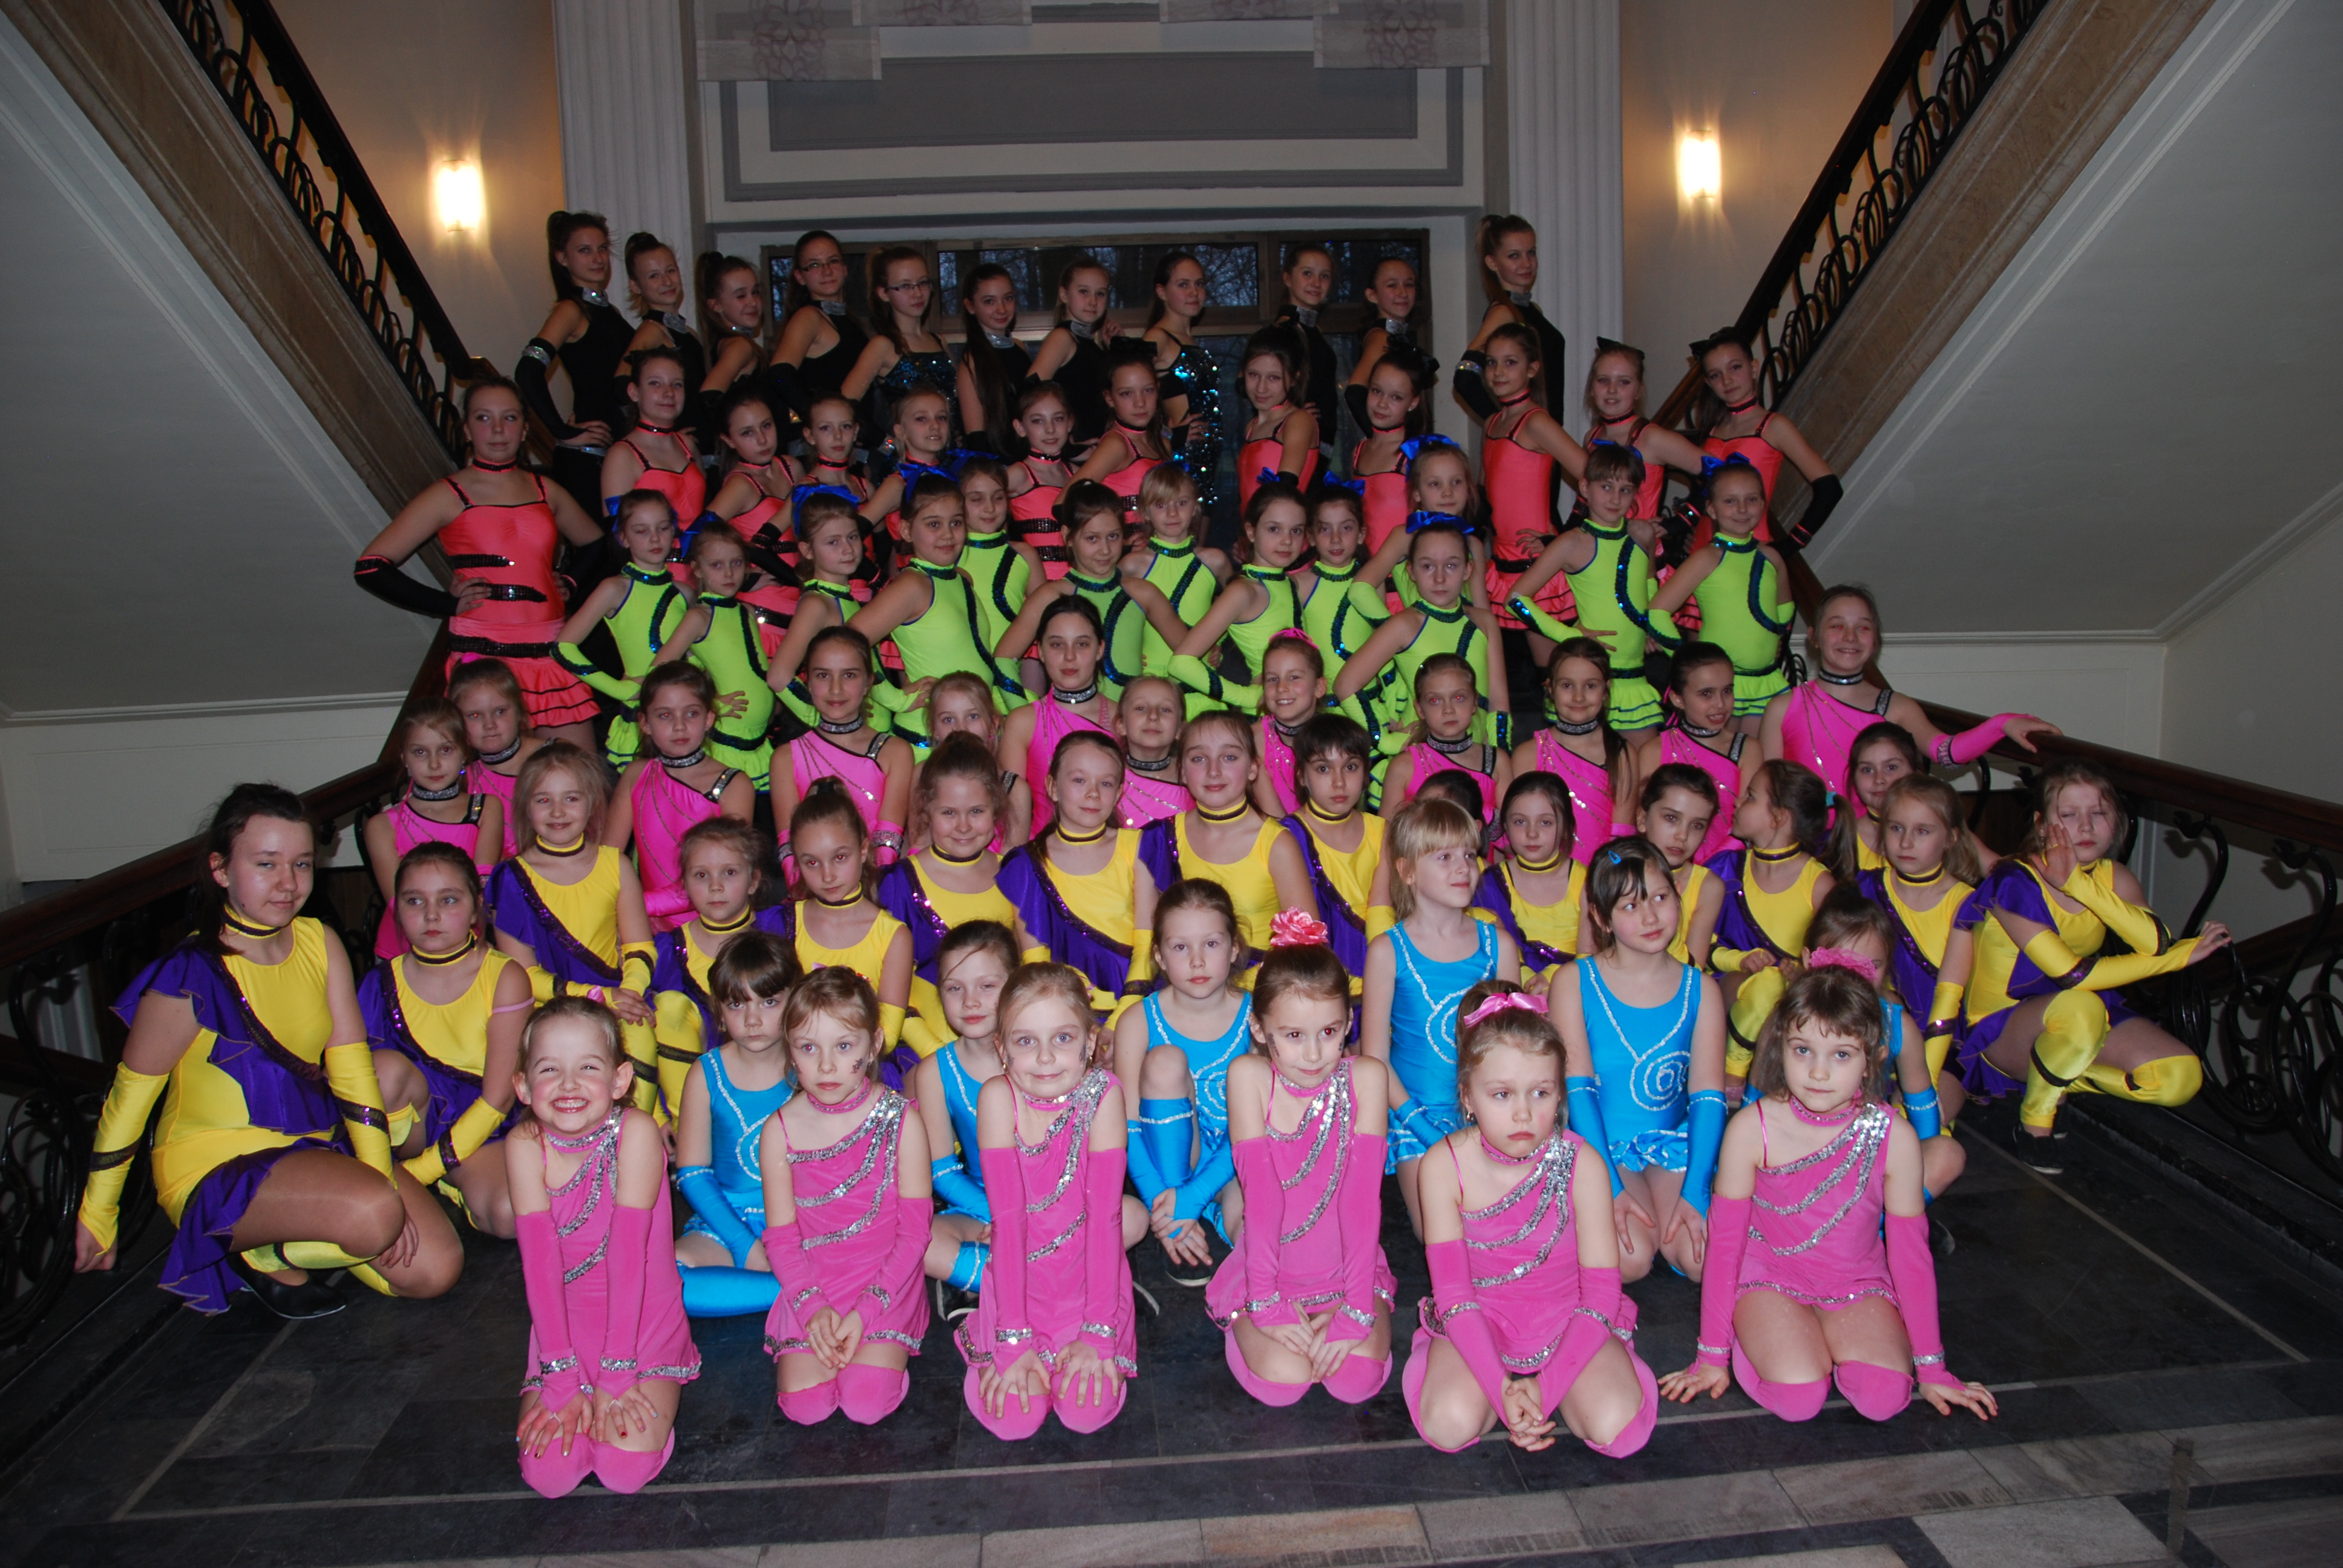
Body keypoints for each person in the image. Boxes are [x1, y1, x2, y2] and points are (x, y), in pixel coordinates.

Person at [74, 785, 461, 1319]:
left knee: (435, 1269)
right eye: (266, 864)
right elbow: (129, 1100)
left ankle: (280, 1246)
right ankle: (250, 1247)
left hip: (308, 1146)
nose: (288, 883)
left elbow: (351, 1070)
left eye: (301, 864)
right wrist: (99, 1211)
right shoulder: (190, 974)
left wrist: (379, 1173)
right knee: (376, 1215)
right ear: (220, 870)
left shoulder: (318, 940)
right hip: (214, 1165)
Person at [1659, 968, 1996, 1425]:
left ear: (1871, 1058)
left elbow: (1911, 1255)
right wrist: (1712, 1356)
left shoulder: (1892, 1135)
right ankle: (1758, 1334)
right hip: (1771, 1275)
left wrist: (1933, 1369)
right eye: (1803, 1050)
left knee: (1884, 1399)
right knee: (1798, 1399)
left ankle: (1823, 1338)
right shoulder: (1753, 1128)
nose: (1818, 1072)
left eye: (1841, 1054)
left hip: (1855, 1280)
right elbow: (1726, 1246)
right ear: (1781, 1047)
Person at [1407, 981, 1658, 1457]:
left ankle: (1579, 1378)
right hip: (1477, 1320)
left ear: (1560, 1094)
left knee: (1616, 1428)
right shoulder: (1443, 1166)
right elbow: (1455, 1295)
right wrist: (1502, 1391)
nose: (1523, 1113)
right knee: (1448, 1425)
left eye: (1541, 1093)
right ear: (1468, 1097)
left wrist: (1546, 1388)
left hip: (1569, 1319)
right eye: (1501, 1094)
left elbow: (1601, 1294)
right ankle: (1470, 1377)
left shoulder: (1582, 1164)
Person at [1950, 762, 2226, 1171]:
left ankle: (2056, 1077)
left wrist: (2079, 884)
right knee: (2081, 1005)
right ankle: (2036, 1122)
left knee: (2179, 1075)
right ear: (2042, 825)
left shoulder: (2116, 878)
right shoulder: (2014, 881)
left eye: (2099, 813)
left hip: (2078, 1017)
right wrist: (2177, 958)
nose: (2086, 826)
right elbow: (2072, 975)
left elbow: (2155, 942)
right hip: (2002, 1026)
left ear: (2117, 823)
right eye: (2069, 814)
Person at [510, 996, 700, 1497]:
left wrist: (617, 1371)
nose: (569, 1084)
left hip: (640, 1330)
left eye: (588, 1068)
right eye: (550, 1069)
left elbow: (627, 1255)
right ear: (523, 1086)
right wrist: (559, 1375)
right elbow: (539, 1264)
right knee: (549, 1476)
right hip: (563, 1337)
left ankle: (647, 1399)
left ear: (620, 1080)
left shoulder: (635, 1133)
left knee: (623, 1470)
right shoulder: (525, 1146)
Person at [355, 380, 603, 749]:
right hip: (484, 656)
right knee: (500, 776)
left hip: (550, 650)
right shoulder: (448, 494)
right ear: (467, 430)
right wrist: (446, 603)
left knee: (577, 775)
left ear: (525, 429)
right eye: (484, 418)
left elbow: (596, 543)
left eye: (510, 418)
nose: (498, 429)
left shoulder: (545, 490)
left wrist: (570, 581)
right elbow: (371, 567)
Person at [1210, 921, 1396, 1406]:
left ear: (1348, 1022)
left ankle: (1352, 1310)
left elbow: (1361, 1200)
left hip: (1346, 1273)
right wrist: (1265, 1302)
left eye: (1329, 1032)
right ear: (1260, 1029)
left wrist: (1356, 1307)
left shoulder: (1367, 1078)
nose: (1313, 1054)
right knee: (1285, 1384)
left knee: (1355, 1382)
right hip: (1270, 1273)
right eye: (1293, 1035)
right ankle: (1246, 1320)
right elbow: (1263, 1198)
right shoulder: (1249, 1077)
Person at [958, 963, 1145, 1438]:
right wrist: (1011, 1339)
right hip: (1019, 1287)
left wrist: (1098, 1332)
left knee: (1086, 1413)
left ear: (1090, 1041)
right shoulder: (998, 1098)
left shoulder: (1103, 1096)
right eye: (1025, 1041)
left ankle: (1095, 1332)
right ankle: (998, 1330)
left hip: (1089, 1287)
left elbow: (1104, 1221)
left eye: (1062, 1038)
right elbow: (1008, 1222)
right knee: (1013, 1421)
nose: (1045, 1058)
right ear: (1002, 1049)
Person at [759, 968, 934, 1426]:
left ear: (874, 1044)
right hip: (813, 1281)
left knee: (866, 1405)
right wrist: (811, 1307)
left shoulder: (901, 1121)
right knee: (806, 1408)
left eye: (843, 1046)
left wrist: (867, 1310)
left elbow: (915, 1234)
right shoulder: (778, 1131)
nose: (826, 1066)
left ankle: (885, 1352)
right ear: (789, 1049)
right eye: (808, 1048)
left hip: (886, 1281)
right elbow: (781, 1237)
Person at [1550, 836, 1728, 1284]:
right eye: (1630, 906)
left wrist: (1697, 1191)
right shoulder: (1574, 982)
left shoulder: (1702, 990)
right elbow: (1577, 1090)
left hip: (1671, 1144)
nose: (1650, 917)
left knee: (1703, 1257)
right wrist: (1608, 1188)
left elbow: (1708, 1097)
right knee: (1629, 1259)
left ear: (1678, 894)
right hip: (1599, 1147)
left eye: (1660, 898)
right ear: (1600, 917)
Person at [1365, 797, 1521, 1233]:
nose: (1463, 868)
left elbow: (1519, 1051)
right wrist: (1423, 1128)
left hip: (1491, 1115)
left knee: (1505, 1224)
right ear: (1407, 871)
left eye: (1469, 855)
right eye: (1444, 857)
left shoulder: (1499, 946)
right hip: (1418, 1118)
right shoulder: (1388, 951)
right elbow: (1375, 1061)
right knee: (1443, 1228)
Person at [362, 843, 531, 1238]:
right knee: (381, 1071)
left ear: (475, 908)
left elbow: (497, 1100)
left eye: (449, 900)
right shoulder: (379, 982)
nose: (431, 915)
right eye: (415, 901)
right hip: (412, 1129)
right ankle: (394, 1176)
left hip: (484, 1128)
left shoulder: (504, 976)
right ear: (396, 909)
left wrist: (422, 1172)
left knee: (510, 1214)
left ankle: (443, 1179)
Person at [486, 742, 660, 1111]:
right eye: (543, 800)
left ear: (592, 803)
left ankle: (648, 1129)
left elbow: (640, 948)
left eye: (571, 798)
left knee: (652, 1024)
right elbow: (522, 975)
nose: (558, 811)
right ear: (525, 807)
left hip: (618, 999)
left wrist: (628, 995)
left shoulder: (615, 864)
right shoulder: (512, 878)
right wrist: (600, 998)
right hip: (551, 1010)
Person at [1765, 584, 2056, 800]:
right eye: (1837, 626)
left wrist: (2001, 724)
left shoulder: (1896, 708)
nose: (1849, 637)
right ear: (1814, 637)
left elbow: (1946, 752)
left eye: (1863, 628)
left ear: (1875, 641)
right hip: (1804, 849)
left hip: (1878, 847)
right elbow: (1767, 791)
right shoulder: (1783, 708)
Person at [1115, 880, 1251, 1284]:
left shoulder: (1258, 1015)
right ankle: (1176, 1229)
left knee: (1258, 1234)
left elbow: (1259, 1122)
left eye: (1211, 944)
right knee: (1165, 1062)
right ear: (1158, 955)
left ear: (1234, 948)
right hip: (1168, 1166)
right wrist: (1166, 1208)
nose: (1197, 961)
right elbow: (1126, 1126)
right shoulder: (1138, 1020)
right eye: (1180, 947)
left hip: (1237, 1161)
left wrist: (1197, 1195)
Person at [1798, 893, 1966, 1201]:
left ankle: (1880, 1217)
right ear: (1811, 961)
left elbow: (1922, 1103)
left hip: (1866, 1144)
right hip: (1799, 1144)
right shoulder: (1791, 1020)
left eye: (1872, 965)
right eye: (1842, 963)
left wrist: (1922, 1154)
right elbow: (1758, 1103)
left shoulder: (1897, 1025)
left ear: (1888, 967)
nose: (1857, 978)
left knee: (1946, 1153)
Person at [672, 929, 803, 1319]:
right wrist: (744, 1246)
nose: (752, 1019)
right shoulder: (706, 1074)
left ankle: (796, 1286)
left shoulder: (812, 1066)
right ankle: (799, 1292)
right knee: (667, 1281)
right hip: (728, 1219)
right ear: (718, 1008)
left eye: (769, 1002)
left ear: (795, 1000)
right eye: (736, 1003)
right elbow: (693, 1173)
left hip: (803, 1219)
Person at [876, 733, 1032, 1055]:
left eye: (976, 811)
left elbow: (1029, 974)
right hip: (920, 1054)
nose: (963, 826)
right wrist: (937, 1055)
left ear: (996, 808)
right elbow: (889, 990)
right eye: (949, 813)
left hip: (1005, 1051)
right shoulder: (900, 882)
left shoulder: (1016, 876)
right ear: (926, 811)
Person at [1504, 442, 1668, 736]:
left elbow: (1649, 585)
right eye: (1606, 487)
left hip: (1634, 678)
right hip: (1588, 679)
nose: (1615, 499)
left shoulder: (1643, 533)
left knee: (1643, 763)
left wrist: (1650, 626)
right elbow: (1516, 600)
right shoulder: (1572, 543)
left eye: (1626, 490)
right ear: (1584, 487)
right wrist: (1570, 635)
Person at [1700, 760, 1844, 1093]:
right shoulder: (1724, 869)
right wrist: (1740, 960)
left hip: (1789, 1005)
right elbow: (1698, 947)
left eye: (1750, 796)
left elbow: (1834, 964)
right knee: (1765, 982)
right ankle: (1730, 1071)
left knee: (1772, 984)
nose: (1737, 802)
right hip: (1724, 987)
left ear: (1778, 817)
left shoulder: (1819, 884)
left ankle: (1742, 1075)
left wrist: (1803, 973)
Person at [848, 474, 1026, 740]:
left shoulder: (961, 579)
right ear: (906, 530)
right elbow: (849, 640)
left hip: (968, 730)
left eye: (956, 522)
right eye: (934, 524)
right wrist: (894, 699)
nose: (948, 534)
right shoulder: (913, 585)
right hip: (927, 737)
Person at [646, 817, 795, 1124]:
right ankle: (688, 1128)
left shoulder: (784, 927)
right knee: (668, 1007)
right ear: (684, 885)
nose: (715, 886)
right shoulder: (665, 951)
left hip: (780, 1092)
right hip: (690, 1107)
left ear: (753, 880)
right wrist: (657, 1116)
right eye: (701, 875)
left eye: (729, 872)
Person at [999, 730, 1159, 1010]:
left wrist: (1122, 1016)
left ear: (1119, 792)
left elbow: (1147, 946)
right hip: (1063, 1010)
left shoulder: (1140, 847)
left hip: (1140, 1004)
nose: (1093, 793)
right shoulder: (1026, 865)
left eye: (1106, 783)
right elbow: (1036, 962)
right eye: (1079, 780)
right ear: (1052, 786)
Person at [1861, 774, 1984, 1132]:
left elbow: (1951, 999)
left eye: (1923, 831)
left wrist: (1922, 1081)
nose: (1906, 842)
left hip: (1943, 1045)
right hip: (1870, 1033)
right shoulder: (1864, 888)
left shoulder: (1966, 902)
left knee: (1922, 1121)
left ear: (1952, 837)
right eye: (1896, 828)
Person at [1137, 712, 1314, 954]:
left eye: (1229, 757)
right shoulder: (1158, 840)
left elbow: (1308, 949)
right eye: (1199, 759)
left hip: (1263, 978)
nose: (1214, 771)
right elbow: (1146, 943)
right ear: (1182, 771)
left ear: (1253, 768)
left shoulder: (1277, 843)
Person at [1458, 323, 1587, 652]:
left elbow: (1594, 478)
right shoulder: (1492, 423)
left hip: (1535, 565)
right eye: (1491, 362)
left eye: (1510, 362)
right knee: (1515, 662)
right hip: (1501, 563)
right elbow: (1485, 495)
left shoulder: (1537, 422)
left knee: (1555, 663)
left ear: (1532, 369)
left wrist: (1563, 538)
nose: (1498, 372)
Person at [1334, 518, 1509, 758]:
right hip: (1422, 757)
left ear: (1468, 570)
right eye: (1428, 566)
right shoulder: (1404, 625)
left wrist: (1498, 758)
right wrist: (1384, 740)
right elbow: (1345, 685)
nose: (1439, 578)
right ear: (1411, 571)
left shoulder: (1485, 622)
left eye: (1451, 566)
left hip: (1475, 757)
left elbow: (1499, 703)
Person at [911, 921, 1017, 1304]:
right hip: (980, 1206)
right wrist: (1002, 1217)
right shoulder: (934, 1072)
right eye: (955, 989)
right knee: (921, 1241)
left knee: (1131, 1217)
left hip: (1056, 1203)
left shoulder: (1043, 1054)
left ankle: (990, 1279)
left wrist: (1040, 1214)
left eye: (987, 986)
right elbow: (941, 1170)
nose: (970, 1002)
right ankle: (1046, 1280)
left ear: (1016, 985)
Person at [604, 664, 753, 932]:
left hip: (714, 925)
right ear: (645, 723)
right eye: (665, 716)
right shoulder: (636, 775)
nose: (680, 726)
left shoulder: (732, 785)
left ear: (709, 719)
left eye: (691, 714)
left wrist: (635, 904)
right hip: (647, 926)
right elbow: (607, 861)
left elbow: (728, 874)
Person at [778, 783, 914, 1068]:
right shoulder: (782, 925)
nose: (827, 875)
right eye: (812, 862)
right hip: (795, 1068)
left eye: (840, 858)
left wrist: (834, 1057)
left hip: (863, 1070)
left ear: (863, 850)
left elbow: (887, 1035)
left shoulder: (893, 936)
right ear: (797, 862)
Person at [1647, 459, 1791, 730]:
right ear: (1711, 509)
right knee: (1722, 752)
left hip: (1768, 682)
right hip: (1721, 688)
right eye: (1730, 501)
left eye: (1751, 499)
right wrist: (1688, 661)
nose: (1742, 509)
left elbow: (1785, 606)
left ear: (1763, 504)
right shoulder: (1706, 558)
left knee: (1763, 755)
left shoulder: (1772, 556)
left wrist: (1776, 636)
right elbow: (1657, 612)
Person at [555, 490, 694, 768]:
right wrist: (620, 690)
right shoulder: (615, 589)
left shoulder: (685, 593)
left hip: (686, 713)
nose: (654, 539)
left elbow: (695, 655)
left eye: (663, 528)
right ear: (623, 537)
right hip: (642, 717)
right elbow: (563, 647)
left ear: (674, 531)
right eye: (641, 531)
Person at [769, 625, 915, 871]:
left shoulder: (894, 753)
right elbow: (790, 849)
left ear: (868, 682)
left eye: (849, 675)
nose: (835, 689)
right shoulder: (786, 758)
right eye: (823, 675)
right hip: (812, 887)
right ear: (808, 682)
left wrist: (871, 891)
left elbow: (887, 843)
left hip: (878, 883)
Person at [1157, 486, 1309, 720]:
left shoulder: (1290, 583)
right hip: (1264, 719)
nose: (1287, 540)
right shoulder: (1244, 591)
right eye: (1274, 529)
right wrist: (1245, 697)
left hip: (1297, 712)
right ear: (1251, 531)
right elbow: (1181, 663)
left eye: (1296, 531)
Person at [365, 700, 499, 959]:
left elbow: (480, 888)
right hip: (402, 952)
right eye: (420, 752)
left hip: (470, 945)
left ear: (464, 752)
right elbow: (399, 904)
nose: (434, 763)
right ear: (404, 758)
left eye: (446, 750)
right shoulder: (381, 825)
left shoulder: (486, 809)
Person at [1689, 327, 1842, 547]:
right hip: (1703, 549)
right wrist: (1689, 523)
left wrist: (1790, 545)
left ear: (1753, 368)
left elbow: (1830, 489)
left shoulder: (1774, 426)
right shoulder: (1713, 429)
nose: (1727, 380)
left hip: (1751, 550)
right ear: (1708, 382)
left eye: (1735, 367)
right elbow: (1704, 495)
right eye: (1716, 375)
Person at [995, 482, 1147, 703]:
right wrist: (1029, 716)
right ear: (1068, 536)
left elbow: (1185, 653)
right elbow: (1003, 660)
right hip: (1069, 720)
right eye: (1092, 538)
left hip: (1129, 720)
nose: (1105, 549)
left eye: (1113, 536)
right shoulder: (1052, 595)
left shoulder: (1142, 592)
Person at [517, 211, 629, 512]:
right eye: (585, 250)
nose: (598, 258)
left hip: (614, 454)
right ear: (562, 258)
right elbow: (528, 371)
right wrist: (561, 431)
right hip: (589, 458)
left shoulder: (609, 312)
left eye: (602, 248)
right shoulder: (570, 310)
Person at [999, 597, 1117, 840]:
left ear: (1100, 649)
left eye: (1082, 644)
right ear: (1041, 651)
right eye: (1057, 645)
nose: (1069, 656)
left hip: (1113, 853)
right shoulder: (1022, 723)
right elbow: (1012, 817)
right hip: (1041, 853)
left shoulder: (1123, 720)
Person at [1513, 638, 1636, 864]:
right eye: (1567, 686)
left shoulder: (1621, 753)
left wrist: (1603, 880)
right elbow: (1518, 831)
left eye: (1590, 686)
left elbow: (1623, 835)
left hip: (1602, 875)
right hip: (1543, 876)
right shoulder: (1527, 754)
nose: (1579, 697)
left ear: (1606, 689)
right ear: (1550, 688)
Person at [1282, 714, 1388, 978]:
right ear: (1302, 777)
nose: (1339, 782)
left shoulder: (1384, 832)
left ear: (1366, 773)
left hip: (1384, 973)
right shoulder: (1285, 837)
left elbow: (1388, 915)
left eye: (1350, 767)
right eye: (1323, 769)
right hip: (1317, 978)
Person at [673, 528, 777, 788]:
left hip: (761, 741)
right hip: (726, 742)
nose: (729, 573)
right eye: (717, 565)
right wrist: (705, 705)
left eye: (736, 563)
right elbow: (660, 671)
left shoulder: (746, 611)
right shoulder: (699, 617)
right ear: (697, 569)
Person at [842, 246, 957, 468]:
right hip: (903, 464)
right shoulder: (883, 346)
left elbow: (953, 403)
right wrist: (888, 445)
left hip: (944, 457)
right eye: (905, 286)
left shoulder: (939, 342)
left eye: (923, 283)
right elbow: (845, 407)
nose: (917, 293)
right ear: (884, 293)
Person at [1637, 643, 1746, 866]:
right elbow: (1644, 822)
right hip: (1664, 869)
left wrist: (1710, 872)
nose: (1720, 703)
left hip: (1728, 868)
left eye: (1727, 691)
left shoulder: (1746, 749)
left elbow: (1747, 823)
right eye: (1706, 693)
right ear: (1678, 698)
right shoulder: (1654, 750)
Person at [1123, 463, 1233, 679]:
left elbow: (1239, 609)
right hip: (1150, 680)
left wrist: (1217, 641)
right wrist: (1124, 648)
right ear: (1145, 512)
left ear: (1195, 507)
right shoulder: (1132, 565)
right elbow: (1106, 613)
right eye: (1161, 505)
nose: (1172, 513)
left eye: (1182, 503)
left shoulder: (1215, 561)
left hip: (1200, 679)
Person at [1475, 773, 1584, 985]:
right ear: (1505, 826)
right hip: (1509, 990)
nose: (1532, 833)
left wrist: (1553, 978)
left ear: (1566, 827)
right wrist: (1524, 983)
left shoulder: (1588, 882)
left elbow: (1596, 954)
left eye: (1545, 822)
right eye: (1520, 822)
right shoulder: (1490, 883)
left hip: (1575, 990)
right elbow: (1485, 952)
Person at [1582, 340, 1706, 522]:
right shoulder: (1592, 437)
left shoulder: (1652, 438)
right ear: (1592, 388)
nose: (1612, 389)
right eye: (1603, 380)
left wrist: (1681, 521)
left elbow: (1720, 474)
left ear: (1639, 390)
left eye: (1624, 382)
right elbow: (1585, 501)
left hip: (1639, 540)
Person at [1461, 216, 1568, 419]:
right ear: (1492, 263)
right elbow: (1465, 377)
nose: (1526, 263)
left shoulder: (1530, 309)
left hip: (1545, 427)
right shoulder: (1504, 312)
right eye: (1514, 256)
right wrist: (1498, 421)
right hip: (1531, 430)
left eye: (1531, 253)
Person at [1144, 251, 1225, 517]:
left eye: (1199, 284)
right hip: (1182, 457)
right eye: (1183, 284)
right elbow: (1126, 392)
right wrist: (1168, 434)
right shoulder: (1158, 337)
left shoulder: (1189, 340)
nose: (1194, 292)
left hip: (1205, 457)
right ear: (1162, 291)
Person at [603, 350, 707, 554]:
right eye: (655, 383)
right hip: (654, 569)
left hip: (700, 566)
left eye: (677, 384)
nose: (669, 393)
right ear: (634, 392)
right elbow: (618, 534)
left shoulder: (688, 445)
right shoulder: (622, 455)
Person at [1380, 654, 1509, 818]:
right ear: (1420, 709)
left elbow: (1510, 827)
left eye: (1459, 698)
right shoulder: (1403, 767)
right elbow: (1387, 831)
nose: (1448, 710)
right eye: (1435, 700)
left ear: (1475, 702)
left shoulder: (1497, 762)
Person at [1631, 763, 1725, 965]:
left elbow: (1693, 968)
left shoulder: (1708, 887)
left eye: (1697, 825)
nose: (1683, 835)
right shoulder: (1616, 872)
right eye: (1671, 818)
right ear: (1642, 818)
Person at [768, 230, 867, 419]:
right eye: (814, 265)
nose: (827, 271)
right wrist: (819, 420)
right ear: (800, 276)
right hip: (829, 434)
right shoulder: (809, 317)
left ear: (845, 268)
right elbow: (779, 375)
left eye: (833, 261)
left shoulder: (850, 321)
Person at [452, 658, 543, 861]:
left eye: (500, 712)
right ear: (457, 722)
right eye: (475, 715)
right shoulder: (461, 780)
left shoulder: (555, 757)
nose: (490, 724)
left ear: (519, 711)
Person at [1348, 348, 1434, 563]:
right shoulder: (1359, 451)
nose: (1382, 404)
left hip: (1405, 575)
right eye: (1376, 391)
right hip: (1364, 572)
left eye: (1396, 397)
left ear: (1413, 403)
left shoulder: (1417, 453)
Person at [1293, 484, 1389, 675]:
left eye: (1346, 528)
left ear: (1361, 534)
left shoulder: (1372, 582)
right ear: (1310, 537)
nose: (1335, 539)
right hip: (1319, 691)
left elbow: (1382, 642)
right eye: (1325, 529)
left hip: (1369, 690)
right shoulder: (1299, 585)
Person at [615, 235, 708, 432]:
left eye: (670, 271)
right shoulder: (652, 330)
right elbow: (621, 385)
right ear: (636, 286)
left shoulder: (689, 332)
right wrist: (658, 433)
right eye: (654, 276)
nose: (666, 281)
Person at [956, 456, 1043, 663]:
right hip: (957, 671)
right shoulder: (949, 555)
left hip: (1009, 672)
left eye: (998, 498)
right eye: (977, 499)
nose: (990, 508)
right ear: (958, 501)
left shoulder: (1024, 555)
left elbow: (1047, 620)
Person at [1027, 256, 1118, 452]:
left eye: (1100, 294)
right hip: (1076, 453)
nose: (1093, 301)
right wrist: (1067, 446)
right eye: (1084, 291)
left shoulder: (1090, 343)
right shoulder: (1063, 337)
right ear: (1064, 294)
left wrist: (1114, 349)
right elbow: (1030, 394)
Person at [1072, 343, 1173, 503]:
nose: (1140, 403)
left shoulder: (1163, 444)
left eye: (1148, 390)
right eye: (1127, 394)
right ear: (1110, 398)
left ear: (1158, 389)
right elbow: (1065, 502)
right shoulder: (1116, 445)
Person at [1236, 330, 1320, 509]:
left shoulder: (1298, 421)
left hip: (1282, 524)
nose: (1261, 388)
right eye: (1254, 375)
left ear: (1294, 378)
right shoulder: (1252, 427)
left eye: (1274, 378)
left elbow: (1285, 491)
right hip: (1255, 525)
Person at [955, 263, 1031, 457]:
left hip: (1032, 458)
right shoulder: (972, 362)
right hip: (998, 465)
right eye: (989, 301)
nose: (1002, 309)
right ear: (970, 306)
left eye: (1008, 298)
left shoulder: (1020, 348)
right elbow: (976, 440)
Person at [1274, 243, 1341, 452]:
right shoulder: (1284, 329)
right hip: (1299, 444)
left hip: (1318, 442)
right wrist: (1288, 412)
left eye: (1324, 276)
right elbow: (1245, 382)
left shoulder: (1312, 328)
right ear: (1287, 278)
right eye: (1307, 273)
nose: (1316, 283)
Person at [1005, 383, 1077, 576]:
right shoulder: (1020, 474)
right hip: (1040, 584)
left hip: (1081, 582)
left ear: (1070, 423)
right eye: (1038, 421)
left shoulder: (1078, 473)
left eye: (1058, 419)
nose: (1050, 429)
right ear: (1020, 428)